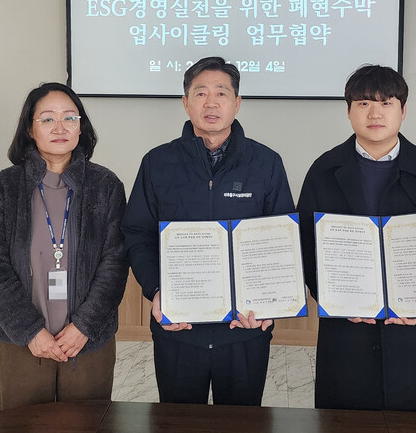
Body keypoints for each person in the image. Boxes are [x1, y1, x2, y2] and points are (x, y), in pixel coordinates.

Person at [297, 64, 416, 412]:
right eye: (363, 103)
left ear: (403, 111)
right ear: (348, 111)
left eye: (386, 103)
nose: (375, 113)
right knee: (346, 419)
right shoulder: (324, 170)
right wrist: (335, 299)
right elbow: (304, 247)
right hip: (348, 332)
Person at [121, 56, 294, 406]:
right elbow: (138, 234)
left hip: (244, 331)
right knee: (178, 422)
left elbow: (283, 240)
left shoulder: (266, 163)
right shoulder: (157, 163)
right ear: (186, 103)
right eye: (200, 93)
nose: (211, 103)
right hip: (179, 329)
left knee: (242, 422)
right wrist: (156, 291)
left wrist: (271, 302)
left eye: (221, 93)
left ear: (237, 103)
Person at [0, 82, 129, 410]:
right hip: (22, 340)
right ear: (30, 129)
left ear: (81, 127)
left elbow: (115, 264)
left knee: (88, 423)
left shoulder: (106, 186)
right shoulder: (4, 187)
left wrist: (84, 326)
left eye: (70, 118)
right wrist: (31, 331)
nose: (60, 127)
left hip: (88, 340)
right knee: (23, 424)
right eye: (47, 119)